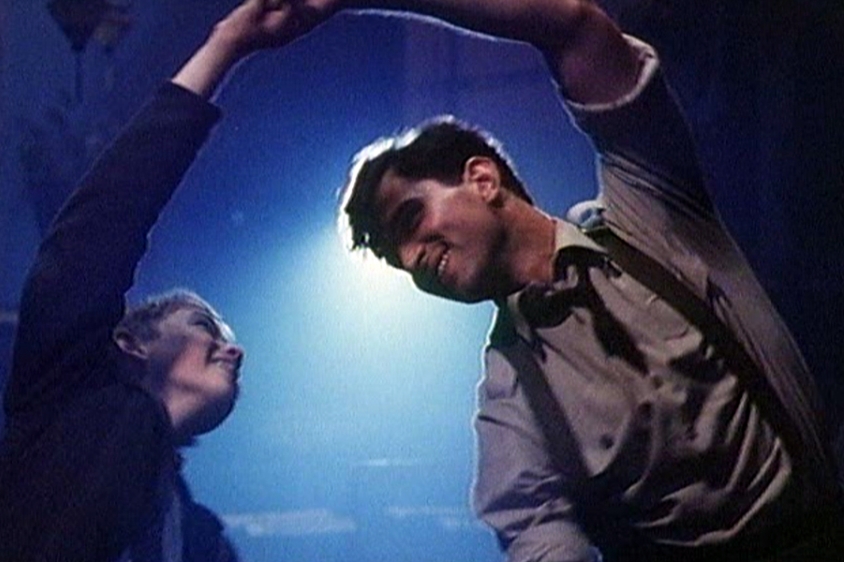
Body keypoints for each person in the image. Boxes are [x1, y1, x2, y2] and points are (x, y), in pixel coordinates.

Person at [336, 0, 844, 560]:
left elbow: (577, 29)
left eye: (410, 220)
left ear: (481, 179)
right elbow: (538, 533)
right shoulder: (510, 401)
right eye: (397, 258)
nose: (412, 258)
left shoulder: (649, 215)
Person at [0, 1, 330, 560]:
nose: (235, 350)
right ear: (129, 344)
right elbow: (103, 223)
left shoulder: (190, 530)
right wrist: (226, 45)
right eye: (204, 326)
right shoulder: (69, 400)